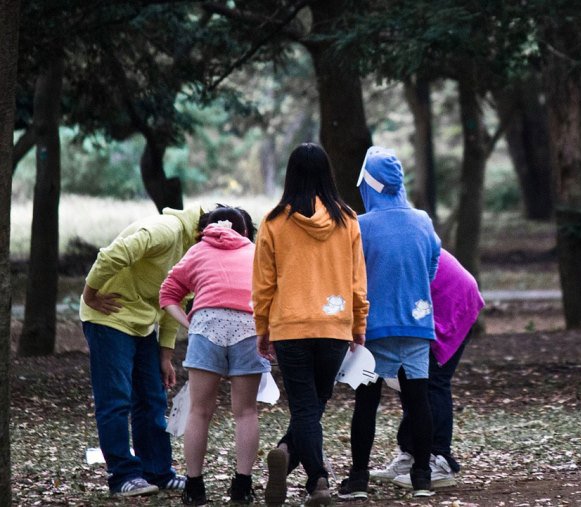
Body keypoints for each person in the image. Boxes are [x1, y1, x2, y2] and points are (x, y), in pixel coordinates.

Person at [254, 143, 368, 507]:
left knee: (306, 406)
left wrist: (262, 327)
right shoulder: (347, 219)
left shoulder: (273, 222)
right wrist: (359, 323)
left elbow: (264, 284)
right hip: (334, 326)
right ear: (327, 174)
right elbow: (356, 280)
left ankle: (291, 455)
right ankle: (316, 478)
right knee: (314, 404)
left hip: (290, 327)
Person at [338, 146, 442, 500]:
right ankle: (422, 477)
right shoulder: (423, 220)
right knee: (418, 402)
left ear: (367, 183)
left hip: (373, 327)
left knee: (366, 404)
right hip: (417, 324)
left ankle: (358, 479)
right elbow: (432, 265)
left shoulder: (360, 225)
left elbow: (352, 275)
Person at [80, 206, 201, 497]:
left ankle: (157, 472)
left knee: (152, 398)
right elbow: (112, 254)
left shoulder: (194, 252)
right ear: (203, 232)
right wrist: (90, 294)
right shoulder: (166, 230)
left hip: (143, 324)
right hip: (109, 317)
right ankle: (122, 476)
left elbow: (177, 298)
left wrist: (165, 354)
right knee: (116, 398)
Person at [159, 205, 270, 505]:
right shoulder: (255, 252)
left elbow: (167, 293)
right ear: (245, 231)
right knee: (246, 412)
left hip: (206, 326)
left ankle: (194, 487)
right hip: (248, 326)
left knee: (199, 411)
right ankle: (242, 486)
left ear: (206, 228)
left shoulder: (197, 251)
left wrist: (190, 322)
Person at [373, 248, 484, 490]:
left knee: (432, 381)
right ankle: (412, 453)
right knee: (409, 380)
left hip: (452, 301)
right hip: (429, 304)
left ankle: (440, 461)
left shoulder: (367, 238)